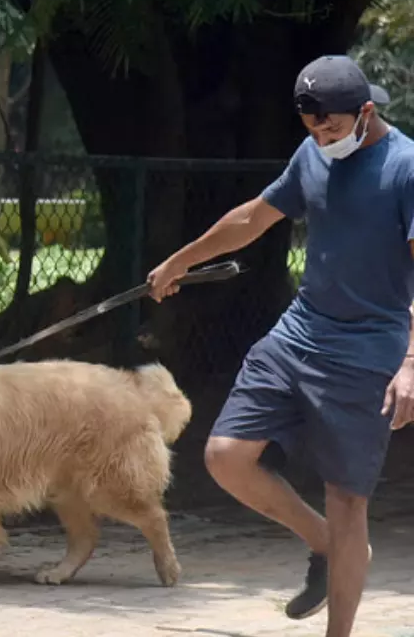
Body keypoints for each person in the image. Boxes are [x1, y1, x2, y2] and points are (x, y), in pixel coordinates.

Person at [146, 54, 414, 637]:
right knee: (224, 456)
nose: (322, 137)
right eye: (311, 126)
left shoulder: (406, 168)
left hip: (369, 349)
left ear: (366, 112)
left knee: (348, 502)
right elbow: (253, 218)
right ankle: (327, 543)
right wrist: (179, 261)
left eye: (332, 127)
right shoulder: (313, 152)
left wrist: (412, 364)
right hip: (299, 332)